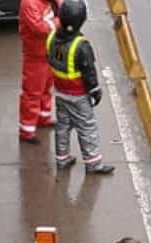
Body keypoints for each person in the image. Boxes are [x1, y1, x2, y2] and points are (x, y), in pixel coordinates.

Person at [46, 0, 115, 174]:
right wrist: (95, 91)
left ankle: (62, 158)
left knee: (62, 126)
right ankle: (93, 163)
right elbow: (89, 73)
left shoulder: (51, 38)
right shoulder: (81, 46)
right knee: (87, 127)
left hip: (60, 92)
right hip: (78, 95)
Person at [18, 0, 58, 143]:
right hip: (35, 55)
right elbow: (38, 28)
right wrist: (58, 22)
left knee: (46, 88)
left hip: (48, 52)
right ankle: (27, 130)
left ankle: (43, 118)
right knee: (32, 92)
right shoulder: (29, 4)